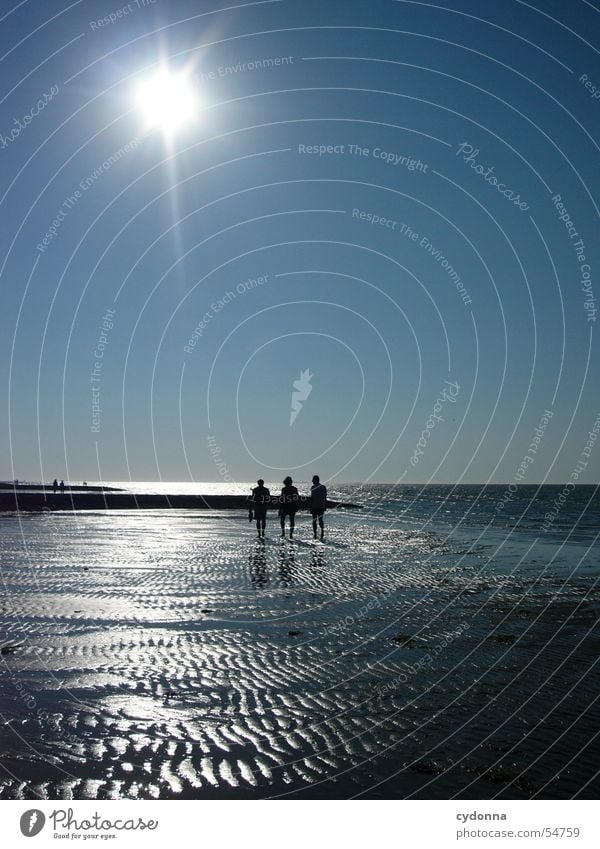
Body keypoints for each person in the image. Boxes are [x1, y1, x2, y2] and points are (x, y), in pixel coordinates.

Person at [310, 475, 327, 540]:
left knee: (314, 520)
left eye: (313, 480)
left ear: (314, 480)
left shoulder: (313, 487)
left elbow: (312, 498)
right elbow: (325, 497)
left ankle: (315, 534)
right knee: (320, 520)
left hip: (314, 506)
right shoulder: (323, 487)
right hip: (321, 506)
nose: (312, 481)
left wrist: (310, 506)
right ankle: (322, 531)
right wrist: (325, 505)